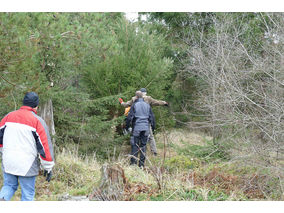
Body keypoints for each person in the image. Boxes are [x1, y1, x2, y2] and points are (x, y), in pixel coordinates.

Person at [0, 92, 55, 201]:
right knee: (28, 194)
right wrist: (48, 167)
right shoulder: (37, 121)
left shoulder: (7, 117)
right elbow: (45, 148)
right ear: (36, 106)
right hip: (27, 164)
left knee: (9, 186)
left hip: (8, 161)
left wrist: (3, 153)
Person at [120, 88, 168, 155]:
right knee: (150, 136)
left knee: (135, 137)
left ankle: (135, 152)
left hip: (136, 122)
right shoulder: (148, 98)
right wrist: (164, 103)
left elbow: (126, 105)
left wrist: (121, 102)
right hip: (146, 121)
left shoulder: (134, 99)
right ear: (145, 93)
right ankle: (154, 152)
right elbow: (157, 102)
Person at [125, 91, 155, 167]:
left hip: (136, 128)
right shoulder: (147, 105)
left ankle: (133, 165)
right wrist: (153, 128)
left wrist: (127, 127)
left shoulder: (134, 105)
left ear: (136, 97)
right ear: (142, 97)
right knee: (143, 146)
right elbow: (152, 118)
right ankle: (141, 165)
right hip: (145, 129)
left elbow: (129, 117)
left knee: (135, 145)